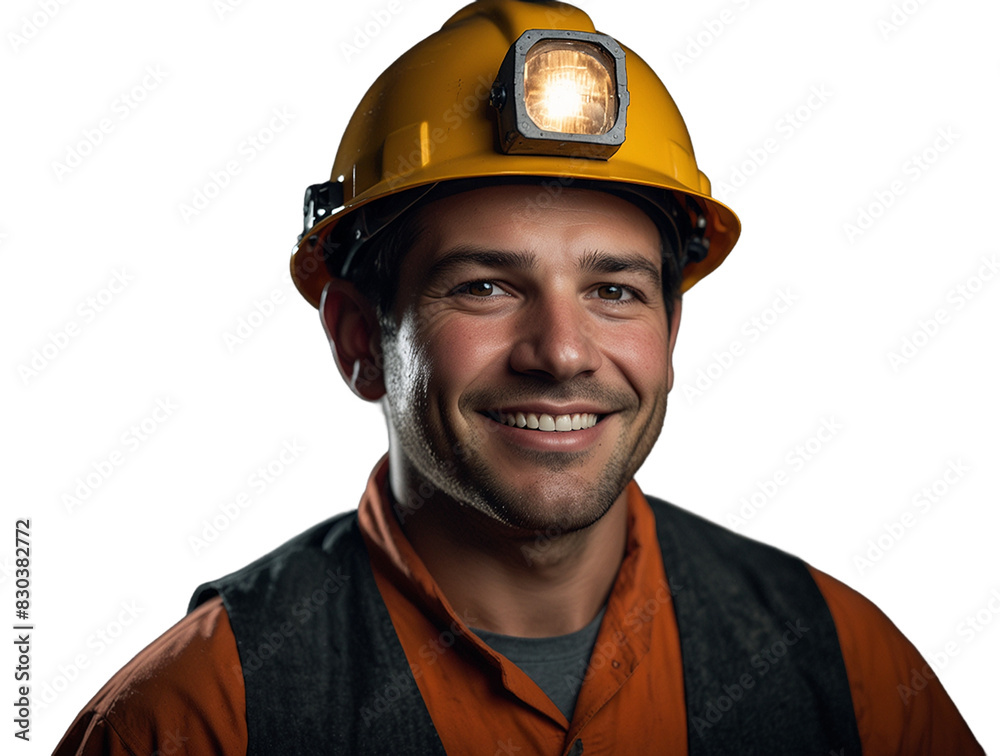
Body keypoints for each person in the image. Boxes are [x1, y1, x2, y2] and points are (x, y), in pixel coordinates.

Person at [54, 0, 983, 753]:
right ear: (358, 337)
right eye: (486, 286)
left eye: (614, 290)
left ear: (671, 331)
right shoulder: (195, 719)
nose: (563, 351)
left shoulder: (848, 670)